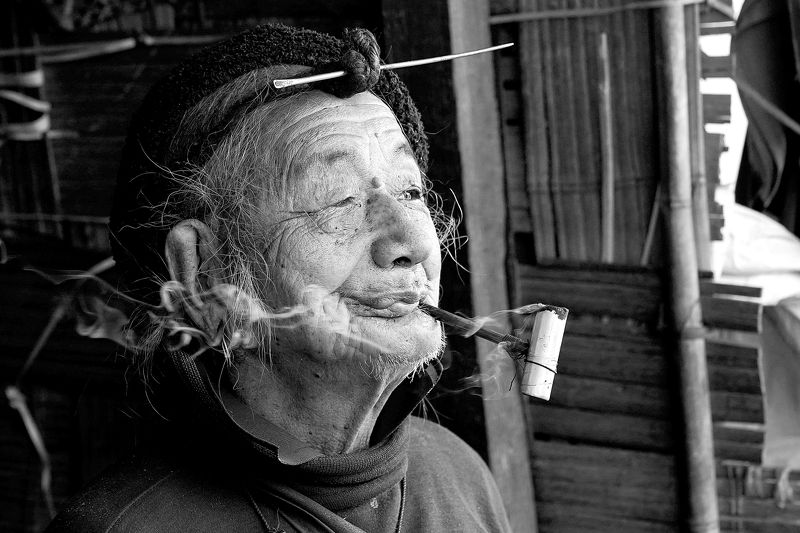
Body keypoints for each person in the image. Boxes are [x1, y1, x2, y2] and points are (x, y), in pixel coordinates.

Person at [46, 23, 512, 532]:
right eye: (338, 200)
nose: (413, 243)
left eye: (410, 192)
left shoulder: (460, 474)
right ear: (204, 275)